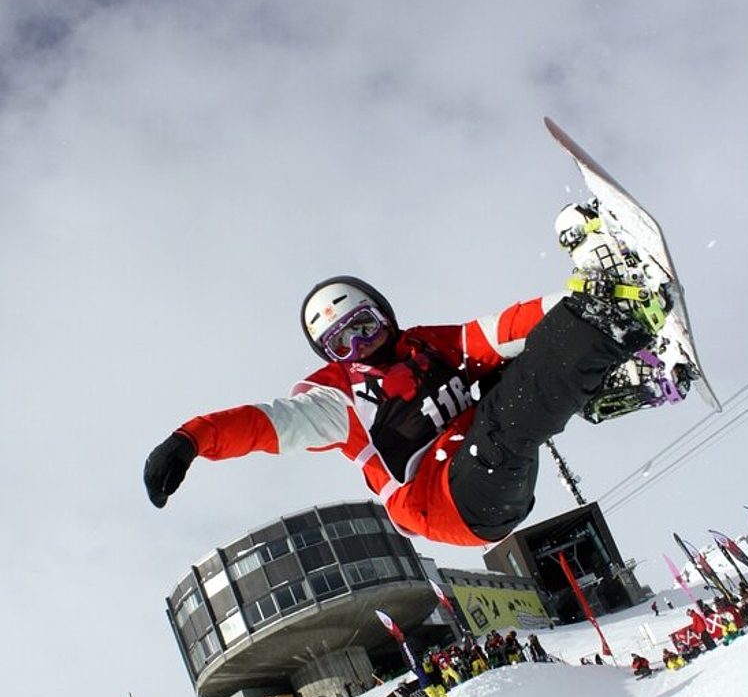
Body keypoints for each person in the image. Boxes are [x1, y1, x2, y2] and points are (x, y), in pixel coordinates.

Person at [144, 207, 671, 549]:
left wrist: (575, 299)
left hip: (481, 441)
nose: (360, 348)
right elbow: (268, 424)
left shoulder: (430, 344)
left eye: (365, 328)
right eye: (341, 345)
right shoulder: (338, 398)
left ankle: (626, 374)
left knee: (509, 367)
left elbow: (504, 328)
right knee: (510, 414)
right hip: (448, 499)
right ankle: (611, 320)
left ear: (385, 315)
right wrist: (192, 439)